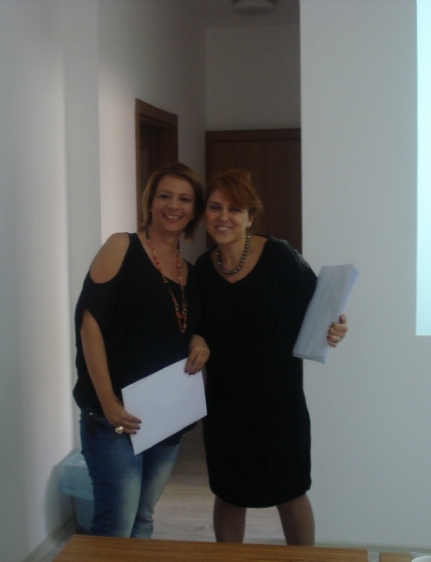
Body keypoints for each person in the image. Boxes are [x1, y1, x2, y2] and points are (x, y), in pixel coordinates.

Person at [196, 169, 348, 546]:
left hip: (280, 403)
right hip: (225, 406)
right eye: (215, 207)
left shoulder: (280, 256)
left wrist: (335, 327)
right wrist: (195, 336)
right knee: (229, 494)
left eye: (235, 208)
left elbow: (322, 309)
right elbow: (193, 327)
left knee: (291, 493)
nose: (223, 217)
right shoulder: (201, 270)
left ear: (250, 216)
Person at [72, 162, 210, 538]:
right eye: (165, 196)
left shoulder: (191, 272)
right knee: (115, 526)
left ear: (194, 211)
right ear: (150, 202)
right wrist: (108, 403)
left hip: (166, 419)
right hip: (115, 419)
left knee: (143, 519)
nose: (173, 206)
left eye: (184, 199)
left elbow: (188, 328)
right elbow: (89, 325)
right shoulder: (122, 246)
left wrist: (199, 338)